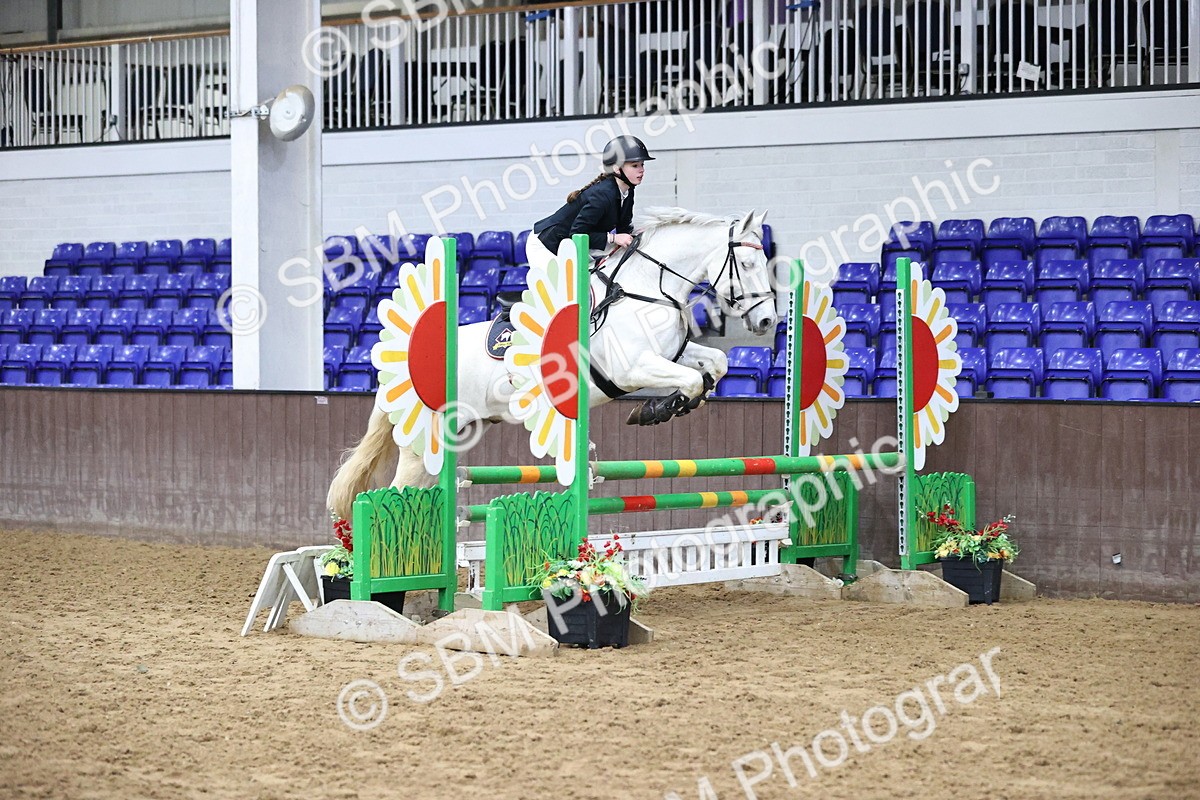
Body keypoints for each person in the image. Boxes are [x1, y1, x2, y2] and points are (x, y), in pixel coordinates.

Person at [526, 135, 654, 270]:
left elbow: (623, 228)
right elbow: (576, 235)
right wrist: (613, 238)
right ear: (617, 168)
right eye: (635, 165)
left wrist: (638, 235)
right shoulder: (602, 195)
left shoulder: (628, 191)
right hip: (546, 245)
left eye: (642, 164)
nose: (642, 170)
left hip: (570, 246)